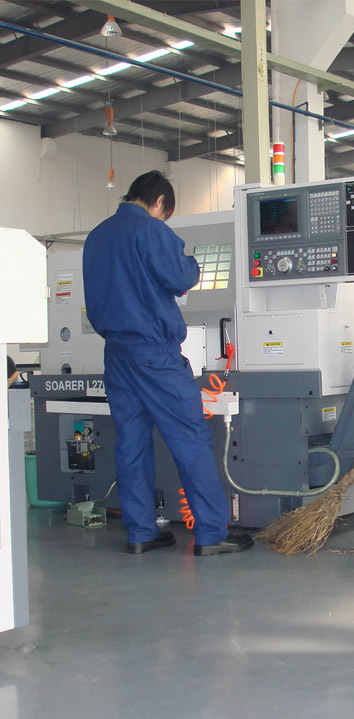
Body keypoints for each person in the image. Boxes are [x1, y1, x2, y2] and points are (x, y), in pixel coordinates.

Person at [83, 170, 252, 556]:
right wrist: (191, 263)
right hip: (155, 355)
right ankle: (211, 532)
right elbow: (180, 278)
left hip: (116, 355)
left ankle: (141, 532)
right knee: (190, 438)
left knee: (131, 443)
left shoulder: (96, 236)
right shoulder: (150, 230)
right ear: (160, 202)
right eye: (166, 214)